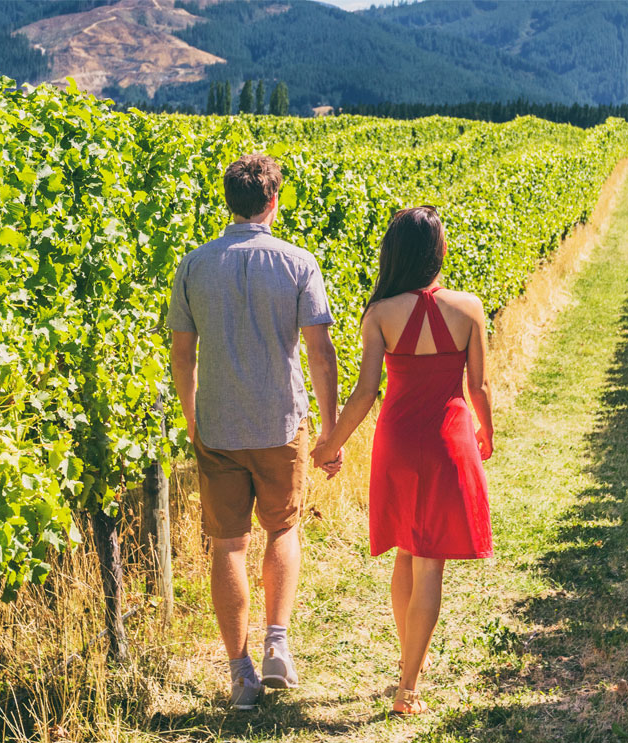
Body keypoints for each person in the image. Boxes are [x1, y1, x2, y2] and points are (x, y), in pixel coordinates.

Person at [168, 153, 341, 710]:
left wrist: (195, 419)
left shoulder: (193, 266)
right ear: (274, 200)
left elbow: (182, 354)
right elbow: (320, 352)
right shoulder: (298, 263)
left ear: (229, 201)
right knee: (282, 530)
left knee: (227, 545)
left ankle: (240, 673)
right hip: (280, 423)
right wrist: (331, 431)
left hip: (218, 424)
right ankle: (277, 647)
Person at [310, 206, 494, 715]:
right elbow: (477, 385)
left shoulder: (380, 314)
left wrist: (330, 444)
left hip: (397, 443)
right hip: (446, 440)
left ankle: (407, 659)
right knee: (429, 562)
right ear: (438, 251)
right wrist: (487, 432)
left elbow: (365, 393)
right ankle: (408, 685)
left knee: (407, 554)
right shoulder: (469, 308)